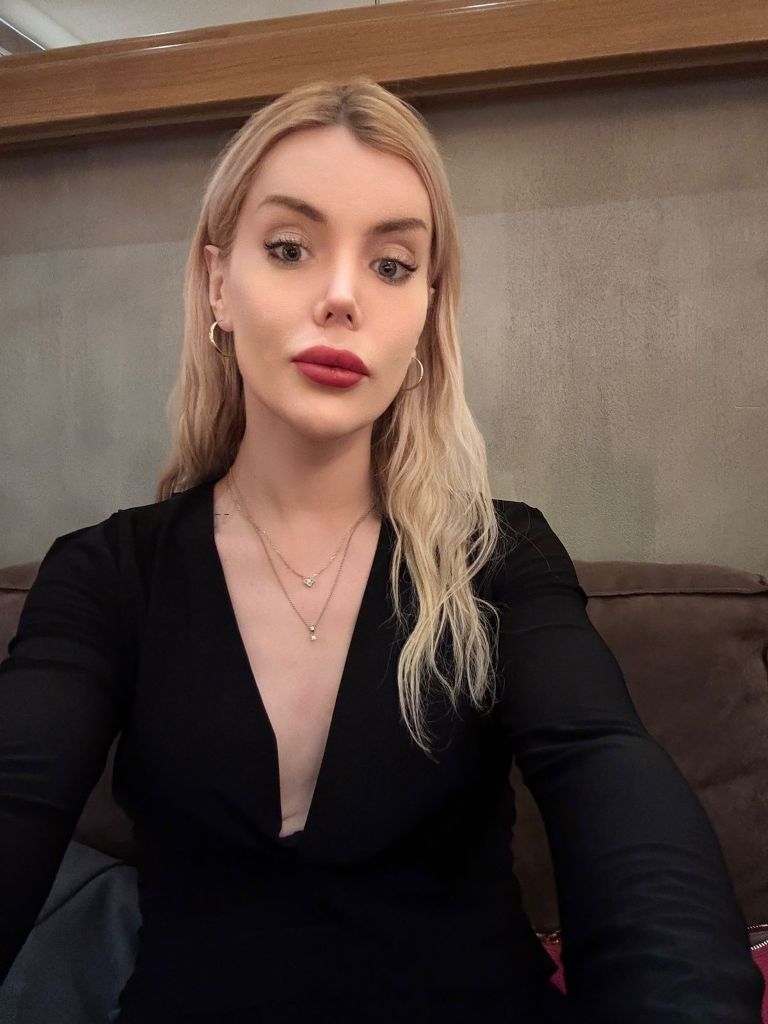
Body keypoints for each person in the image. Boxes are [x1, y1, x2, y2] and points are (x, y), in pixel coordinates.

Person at [0, 77, 762, 1024]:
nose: (341, 297)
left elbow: (606, 769)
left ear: (426, 313)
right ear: (218, 284)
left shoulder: (499, 555)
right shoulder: (107, 573)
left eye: (392, 265)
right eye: (290, 248)